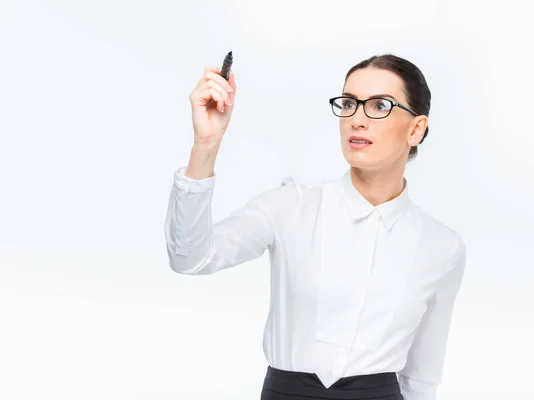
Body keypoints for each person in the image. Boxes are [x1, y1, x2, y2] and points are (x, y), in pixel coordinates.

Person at [164, 53, 467, 400]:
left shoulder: (442, 247)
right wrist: (206, 144)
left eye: (380, 105)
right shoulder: (290, 207)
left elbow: (422, 378)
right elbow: (190, 258)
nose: (357, 119)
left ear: (416, 129)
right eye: (350, 103)